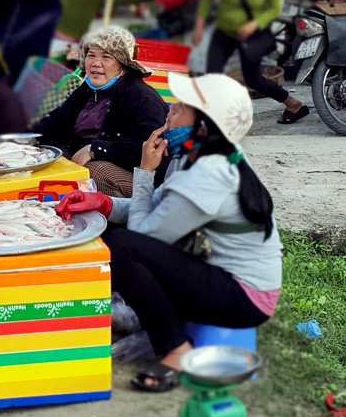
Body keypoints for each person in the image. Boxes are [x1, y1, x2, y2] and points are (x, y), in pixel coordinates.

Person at [55, 74, 282, 392]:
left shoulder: (206, 174)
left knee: (120, 246)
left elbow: (141, 235)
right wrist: (103, 203)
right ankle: (164, 328)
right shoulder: (194, 157)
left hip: (244, 299)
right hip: (222, 275)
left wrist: (145, 171)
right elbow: (154, 209)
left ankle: (176, 349)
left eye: (182, 107)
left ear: (203, 126)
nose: (170, 108)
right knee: (119, 240)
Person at [33, 25, 168, 197]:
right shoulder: (88, 89)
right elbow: (57, 122)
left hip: (142, 179)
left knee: (96, 172)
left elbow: (146, 148)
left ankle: (113, 219)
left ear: (123, 63)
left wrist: (96, 149)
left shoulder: (143, 99)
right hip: (96, 158)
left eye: (106, 57)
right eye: (91, 56)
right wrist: (27, 138)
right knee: (49, 154)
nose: (96, 63)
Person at [192, 0, 309, 125]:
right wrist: (198, 27)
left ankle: (293, 104)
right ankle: (215, 119)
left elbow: (273, 8)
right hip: (224, 31)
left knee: (254, 80)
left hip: (252, 35)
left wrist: (254, 24)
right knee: (212, 74)